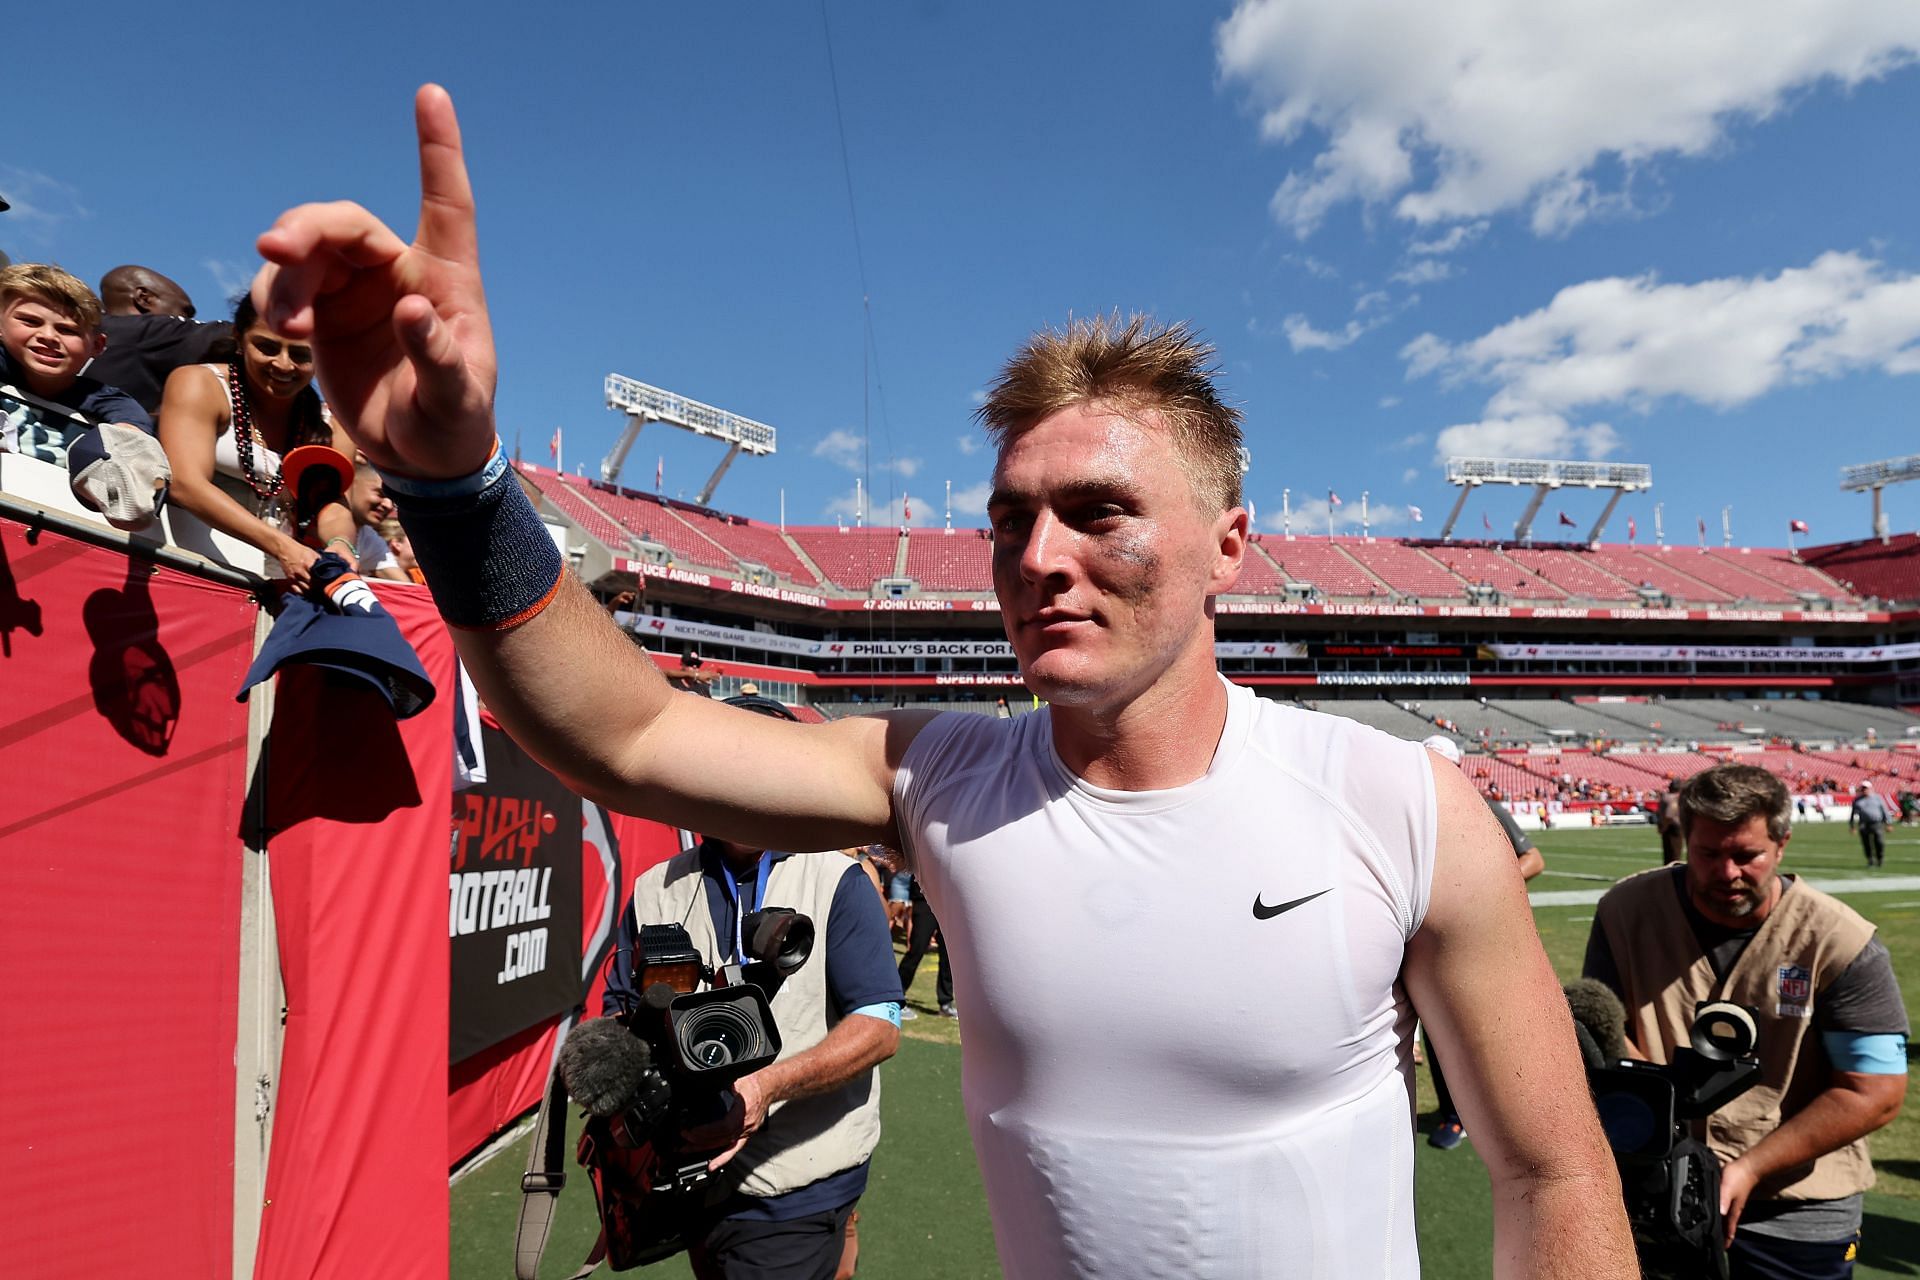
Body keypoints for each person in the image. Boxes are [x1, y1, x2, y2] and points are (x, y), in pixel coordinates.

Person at [252, 85, 1635, 1277]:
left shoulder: (1401, 803)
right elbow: (619, 729)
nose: (1038, 558)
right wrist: (454, 485)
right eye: (1009, 519)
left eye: (1098, 512)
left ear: (1229, 549)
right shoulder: (939, 779)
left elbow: (1552, 1178)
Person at [601, 694, 902, 1280]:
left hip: (793, 1187)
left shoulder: (834, 876)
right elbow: (620, 1010)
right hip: (687, 1179)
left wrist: (765, 1087)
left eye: (758, 764)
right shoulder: (654, 887)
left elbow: (880, 1026)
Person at [1584, 764, 1907, 1277]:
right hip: (1654, 1189)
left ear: (1782, 844)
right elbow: (1607, 1028)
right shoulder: (1626, 912)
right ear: (1685, 840)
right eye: (1708, 854)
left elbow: (1875, 1090)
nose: (1727, 872)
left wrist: (1749, 1168)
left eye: (1747, 855)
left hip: (1797, 1204)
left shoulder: (1841, 942)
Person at [157, 292, 356, 589]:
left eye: (301, 355)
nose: (284, 365)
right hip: (192, 571)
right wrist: (281, 546)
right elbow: (186, 484)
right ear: (239, 337)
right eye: (267, 347)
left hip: (279, 583)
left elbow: (333, 504)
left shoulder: (334, 424)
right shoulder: (200, 383)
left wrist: (341, 544)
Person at [1419, 735, 1545, 1151]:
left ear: (1457, 768)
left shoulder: (1485, 808)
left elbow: (1534, 860)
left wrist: (1483, 886)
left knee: (1488, 1022)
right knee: (1437, 1025)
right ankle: (1454, 1114)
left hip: (1482, 935)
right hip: (1425, 936)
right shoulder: (1412, 811)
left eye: (1442, 764)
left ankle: (1498, 1109)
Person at [0, 263, 151, 462]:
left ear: (97, 345)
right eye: (30, 322)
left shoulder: (110, 401)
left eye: (68, 330)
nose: (48, 336)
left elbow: (134, 439)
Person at [87, 266, 232, 414]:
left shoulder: (81, 333)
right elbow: (239, 334)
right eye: (185, 313)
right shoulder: (148, 332)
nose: (188, 321)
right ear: (144, 299)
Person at [345, 459, 409, 580]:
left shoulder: (368, 537)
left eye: (393, 500)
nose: (388, 505)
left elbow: (405, 586)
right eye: (380, 494)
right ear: (351, 484)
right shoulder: (308, 523)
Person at [1849, 784, 1891, 869]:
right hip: (1864, 824)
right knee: (1866, 844)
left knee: (1879, 842)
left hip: (1877, 823)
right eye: (1863, 788)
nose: (1865, 790)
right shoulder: (1857, 800)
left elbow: (1884, 810)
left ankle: (1880, 858)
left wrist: (1888, 823)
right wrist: (1852, 826)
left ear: (1871, 788)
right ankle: (1870, 860)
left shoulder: (1877, 798)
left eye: (1866, 788)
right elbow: (1853, 814)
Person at [1658, 778, 1686, 864]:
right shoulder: (1674, 798)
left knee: (1668, 855)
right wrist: (1665, 826)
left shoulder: (1665, 797)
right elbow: (1669, 814)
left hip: (1667, 826)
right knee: (1675, 855)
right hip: (1673, 827)